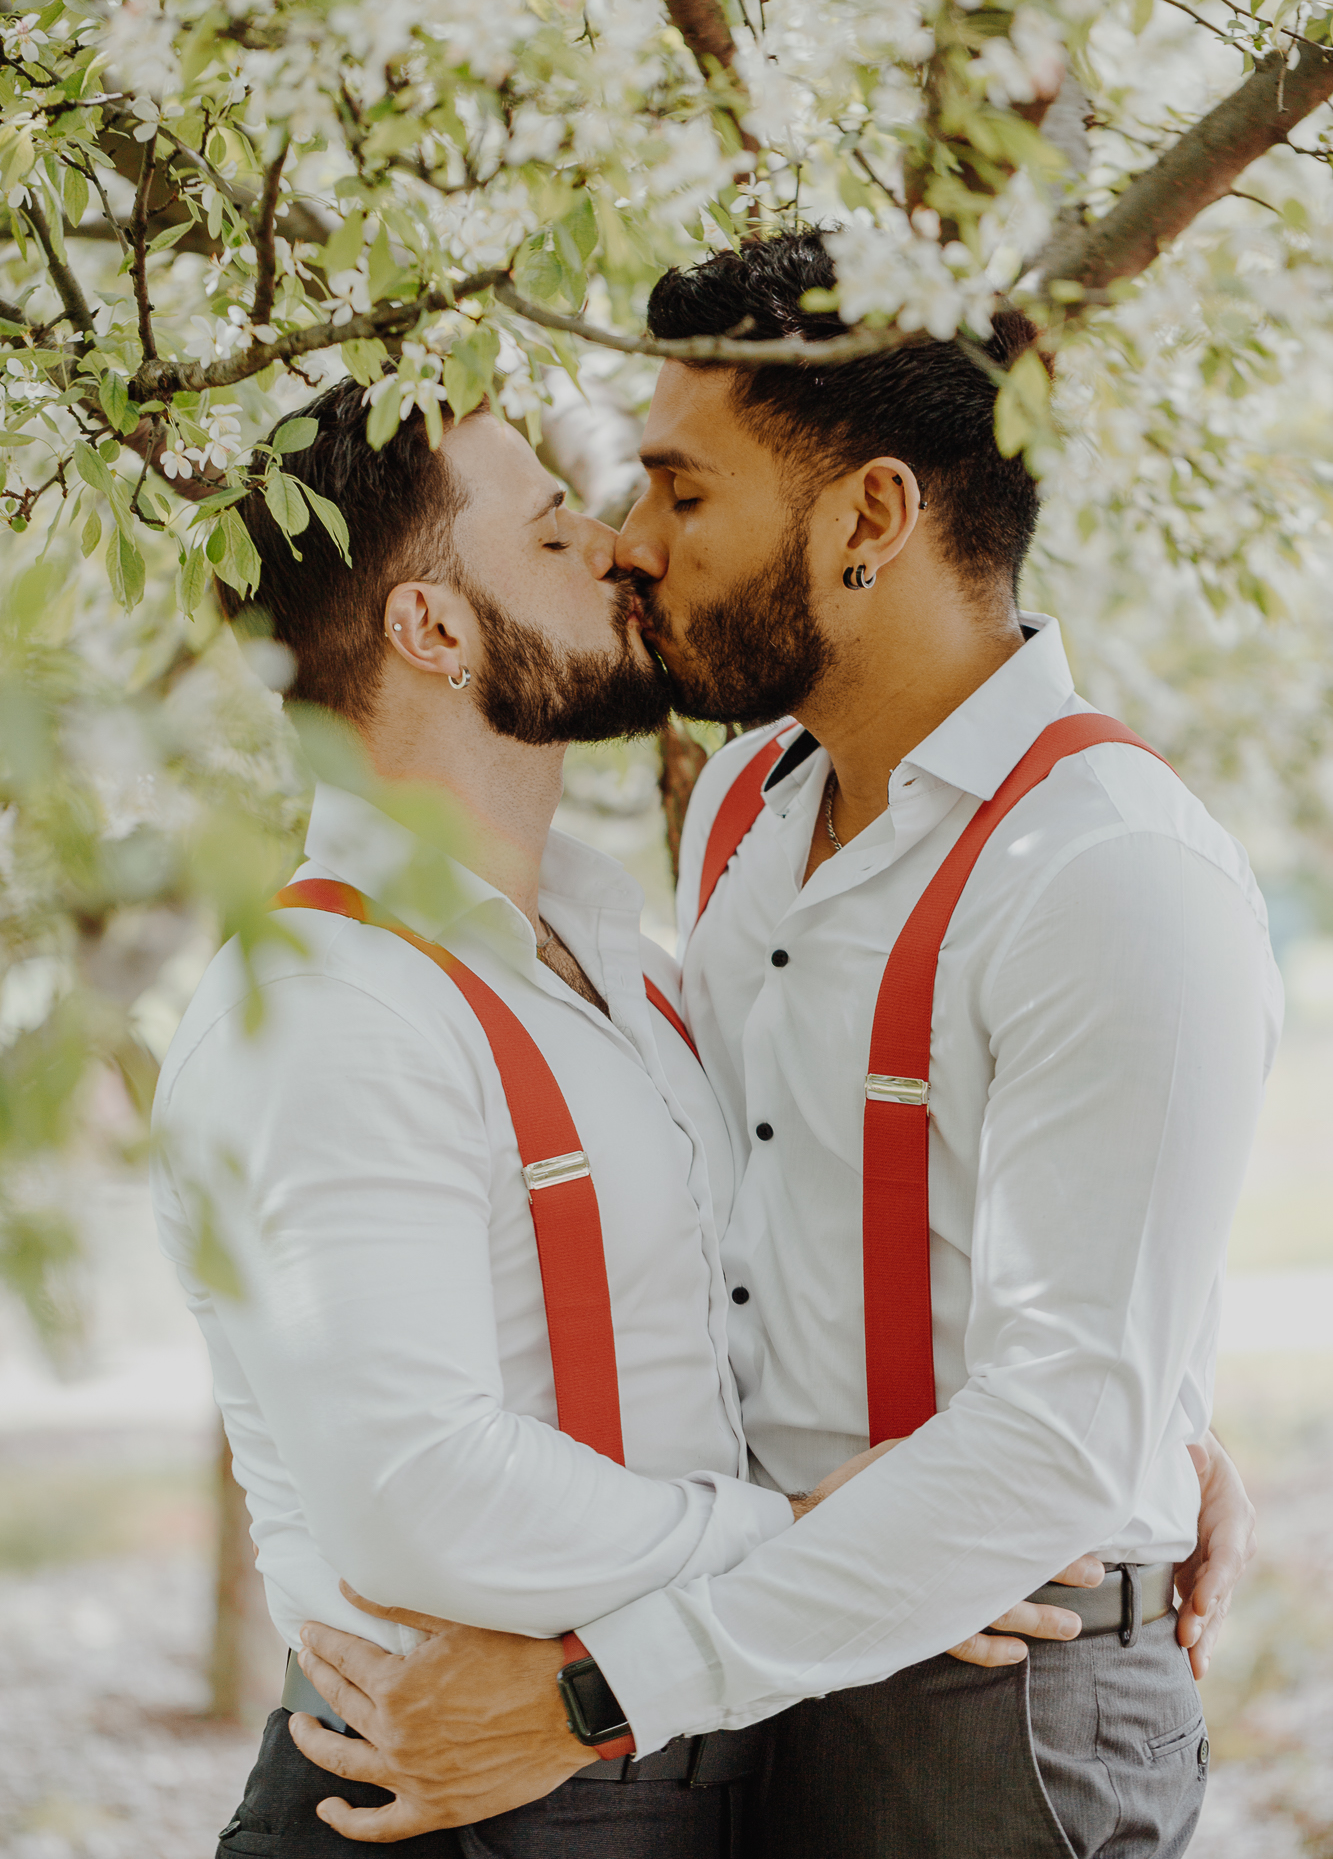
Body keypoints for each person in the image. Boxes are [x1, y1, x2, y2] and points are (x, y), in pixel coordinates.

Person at [290, 232, 1277, 1859]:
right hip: (749, 1660)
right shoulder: (745, 810)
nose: (629, 544)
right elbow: (743, 1211)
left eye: (682, 495)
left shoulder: (1111, 875)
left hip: (983, 1698)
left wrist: (590, 1697)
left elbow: (1055, 1428)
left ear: (869, 521)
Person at [151, 378, 1087, 1859]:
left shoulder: (630, 976)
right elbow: (420, 1495)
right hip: (440, 1799)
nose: (617, 549)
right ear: (435, 630)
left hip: (664, 1778)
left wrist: (1132, 1416)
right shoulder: (330, 1011)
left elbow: (793, 1258)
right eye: (549, 533)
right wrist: (805, 1543)